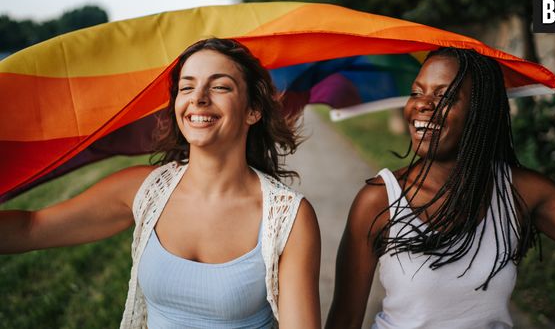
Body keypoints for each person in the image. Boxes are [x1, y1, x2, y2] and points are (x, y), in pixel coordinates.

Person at [1, 38, 321, 329]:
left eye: (220, 87)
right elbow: (32, 228)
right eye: (186, 87)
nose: (198, 98)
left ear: (253, 110)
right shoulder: (144, 190)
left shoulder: (289, 218)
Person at [325, 47, 555, 329]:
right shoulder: (379, 200)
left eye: (444, 96)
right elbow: (344, 320)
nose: (422, 104)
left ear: (480, 112)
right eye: (416, 92)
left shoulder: (518, 191)